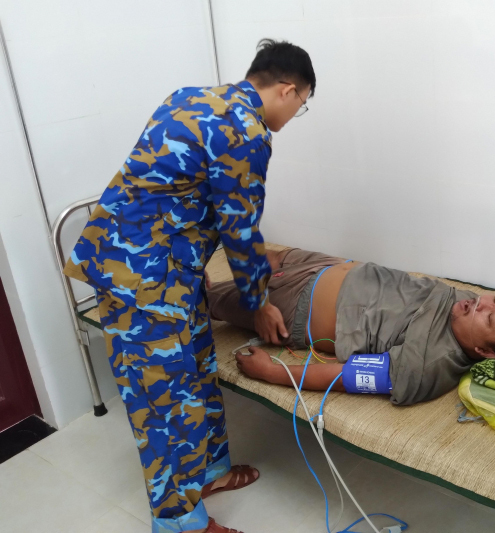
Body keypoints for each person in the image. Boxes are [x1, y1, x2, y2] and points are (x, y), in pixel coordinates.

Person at [63, 39, 315, 533]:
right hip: (139, 280)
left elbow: (177, 190)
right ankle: (180, 521)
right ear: (288, 90)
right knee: (163, 400)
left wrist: (200, 262)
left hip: (173, 270)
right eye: (301, 104)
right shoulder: (248, 131)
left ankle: (210, 472)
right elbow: (239, 229)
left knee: (197, 370)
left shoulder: (190, 96)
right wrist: (259, 303)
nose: (294, 114)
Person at [207, 248, 495, 405]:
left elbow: (346, 377)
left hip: (292, 306)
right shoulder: (468, 307)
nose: (481, 303)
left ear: (484, 350)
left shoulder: (426, 365)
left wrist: (272, 372)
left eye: (489, 317)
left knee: (201, 299)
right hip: (328, 263)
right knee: (249, 254)